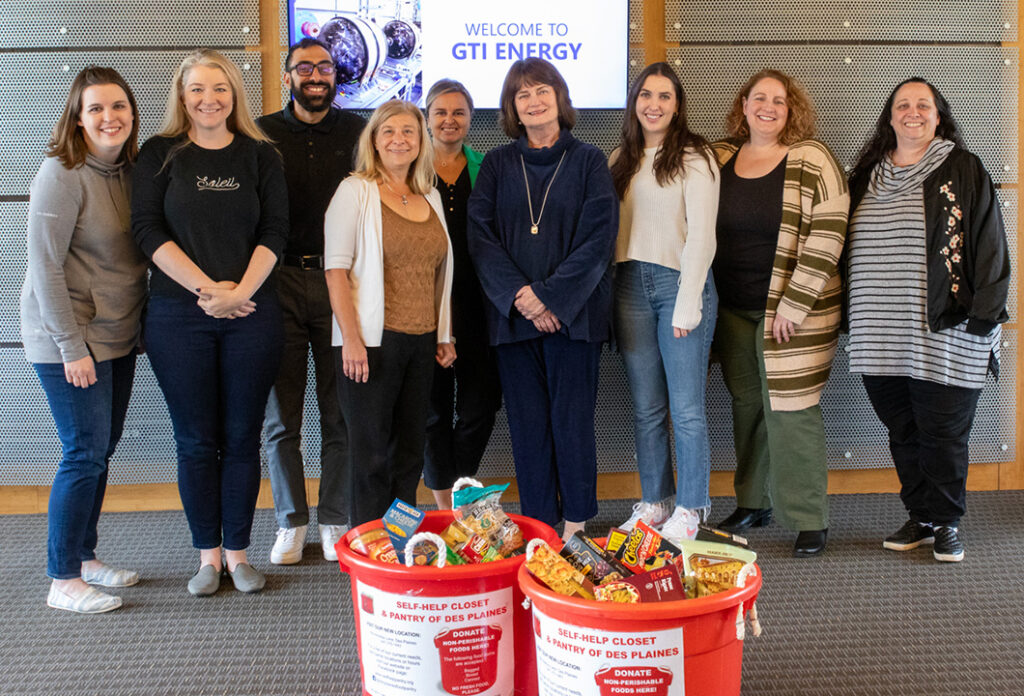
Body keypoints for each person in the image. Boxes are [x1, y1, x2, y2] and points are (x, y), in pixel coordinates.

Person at [132, 49, 288, 595]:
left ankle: (240, 554)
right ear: (182, 96)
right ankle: (207, 556)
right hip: (179, 317)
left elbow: (275, 233)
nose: (209, 99)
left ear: (234, 96)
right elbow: (148, 232)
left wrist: (240, 292)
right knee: (197, 440)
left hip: (252, 313)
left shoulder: (260, 155)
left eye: (219, 89)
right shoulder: (158, 155)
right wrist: (209, 290)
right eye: (197, 89)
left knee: (243, 438)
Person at [847, 78, 1009, 563]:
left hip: (948, 331)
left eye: (924, 105)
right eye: (903, 104)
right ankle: (920, 515)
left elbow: (990, 246)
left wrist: (983, 320)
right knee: (903, 430)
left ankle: (946, 522)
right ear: (889, 116)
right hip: (878, 332)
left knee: (942, 434)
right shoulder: (865, 175)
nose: (913, 112)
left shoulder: (963, 167)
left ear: (938, 116)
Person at [467, 58, 618, 541]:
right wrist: (523, 298)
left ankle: (575, 523)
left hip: (574, 320)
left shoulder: (591, 161)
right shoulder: (495, 164)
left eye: (542, 90)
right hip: (513, 320)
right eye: (522, 94)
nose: (534, 101)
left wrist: (551, 299)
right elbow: (481, 238)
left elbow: (599, 239)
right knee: (528, 428)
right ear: (512, 107)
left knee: (572, 423)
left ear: (560, 96)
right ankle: (538, 524)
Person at [21, 66, 146, 613]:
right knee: (82, 452)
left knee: (101, 451)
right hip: (67, 338)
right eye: (95, 107)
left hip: (117, 333)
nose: (108, 117)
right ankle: (62, 578)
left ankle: (86, 557)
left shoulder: (131, 172)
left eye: (118, 106)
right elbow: (45, 267)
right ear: (77, 115)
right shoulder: (61, 172)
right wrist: (72, 347)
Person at [711, 69, 848, 556]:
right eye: (759, 98)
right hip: (732, 307)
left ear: (792, 111)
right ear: (743, 104)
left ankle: (809, 518)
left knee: (792, 410)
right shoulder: (721, 157)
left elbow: (829, 232)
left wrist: (794, 302)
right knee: (747, 406)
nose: (769, 107)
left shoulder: (812, 158)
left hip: (796, 312)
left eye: (780, 101)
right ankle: (753, 501)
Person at [258, 38, 366, 565]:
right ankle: (290, 521)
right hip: (276, 281)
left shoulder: (358, 133)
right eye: (305, 68)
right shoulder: (260, 134)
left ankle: (335, 519)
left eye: (324, 66)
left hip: (338, 283)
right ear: (288, 78)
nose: (316, 75)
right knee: (282, 419)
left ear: (336, 75)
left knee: (339, 413)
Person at [324, 100, 455, 527]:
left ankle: (399, 542)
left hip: (420, 344)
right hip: (371, 344)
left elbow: (439, 273)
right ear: (374, 141)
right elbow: (336, 271)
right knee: (371, 455)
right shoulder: (355, 191)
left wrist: (443, 335)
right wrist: (352, 340)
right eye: (389, 132)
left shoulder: (430, 195)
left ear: (421, 142)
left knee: (408, 454)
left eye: (409, 132)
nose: (399, 140)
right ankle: (368, 548)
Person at [609, 62, 719, 541]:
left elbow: (703, 236)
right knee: (647, 407)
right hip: (629, 283)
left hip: (679, 284)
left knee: (686, 408)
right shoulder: (621, 158)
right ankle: (654, 503)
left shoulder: (696, 157)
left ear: (677, 106)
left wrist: (689, 300)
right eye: (646, 95)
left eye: (665, 96)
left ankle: (692, 507)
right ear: (635, 102)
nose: (654, 104)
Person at [422, 79, 502, 510]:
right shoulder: (410, 167)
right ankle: (443, 503)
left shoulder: (485, 167)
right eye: (441, 112)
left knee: (480, 406)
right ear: (427, 117)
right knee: (432, 412)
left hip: (478, 305)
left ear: (471, 118)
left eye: (459, 112)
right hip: (424, 302)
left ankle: (456, 486)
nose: (449, 120)